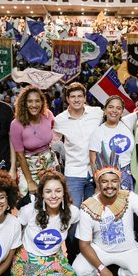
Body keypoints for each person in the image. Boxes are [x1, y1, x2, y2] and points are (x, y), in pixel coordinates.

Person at [72, 152, 138, 276]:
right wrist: (102, 269)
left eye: (114, 181)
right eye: (105, 181)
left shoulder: (129, 197)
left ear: (119, 181)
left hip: (128, 250)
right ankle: (100, 272)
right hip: (100, 250)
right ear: (98, 182)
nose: (110, 186)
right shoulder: (87, 207)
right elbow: (84, 245)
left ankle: (120, 273)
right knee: (77, 271)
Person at [53, 82, 103, 263]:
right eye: (72, 97)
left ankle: (92, 255)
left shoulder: (97, 113)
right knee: (72, 214)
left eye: (79, 96)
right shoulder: (60, 119)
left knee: (93, 214)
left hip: (96, 172)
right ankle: (73, 254)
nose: (76, 100)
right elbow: (53, 141)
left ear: (84, 98)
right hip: (73, 172)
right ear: (67, 99)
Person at [11, 170, 79, 276]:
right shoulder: (29, 211)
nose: (53, 196)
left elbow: (69, 227)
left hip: (54, 258)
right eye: (48, 191)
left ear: (63, 192)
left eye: (58, 191)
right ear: (42, 194)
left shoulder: (73, 212)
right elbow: (15, 230)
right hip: (29, 259)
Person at [10, 85, 58, 201]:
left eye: (37, 101)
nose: (34, 105)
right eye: (30, 101)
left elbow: (55, 133)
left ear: (42, 102)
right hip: (29, 169)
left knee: (51, 200)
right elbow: (20, 156)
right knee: (29, 206)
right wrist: (30, 181)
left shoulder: (48, 115)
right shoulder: (16, 124)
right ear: (24, 103)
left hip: (49, 166)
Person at [89, 95, 137, 191]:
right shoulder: (98, 132)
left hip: (129, 175)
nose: (114, 110)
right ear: (105, 110)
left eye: (118, 108)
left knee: (127, 205)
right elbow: (93, 160)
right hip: (108, 178)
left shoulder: (127, 122)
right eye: (111, 107)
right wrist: (98, 183)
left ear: (122, 112)